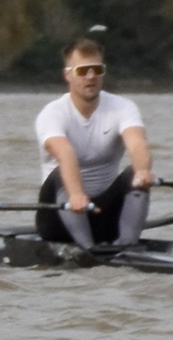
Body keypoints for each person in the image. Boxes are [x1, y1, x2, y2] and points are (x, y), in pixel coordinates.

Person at [33, 37, 152, 249]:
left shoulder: (123, 107)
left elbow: (137, 144)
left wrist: (143, 171)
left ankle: (128, 246)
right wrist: (77, 195)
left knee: (135, 174)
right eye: (82, 71)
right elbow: (65, 154)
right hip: (58, 218)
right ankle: (87, 250)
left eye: (97, 70)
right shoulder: (52, 114)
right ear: (68, 75)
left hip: (102, 215)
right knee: (60, 172)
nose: (91, 77)